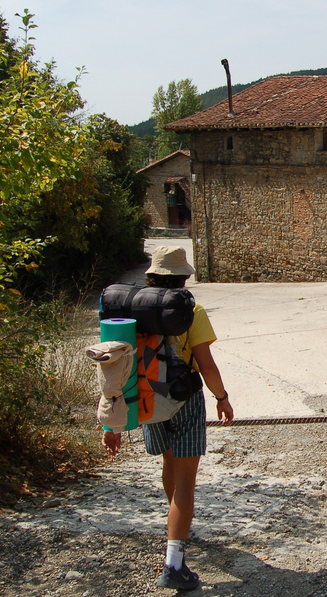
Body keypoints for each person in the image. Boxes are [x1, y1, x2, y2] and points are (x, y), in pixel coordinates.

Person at [101, 245, 233, 591]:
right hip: (185, 400)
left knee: (169, 465)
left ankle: (178, 526)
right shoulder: (193, 311)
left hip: (146, 402)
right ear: (182, 278)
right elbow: (206, 365)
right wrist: (222, 398)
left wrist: (110, 423)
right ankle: (174, 563)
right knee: (186, 482)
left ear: (151, 276)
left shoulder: (131, 309)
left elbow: (113, 368)